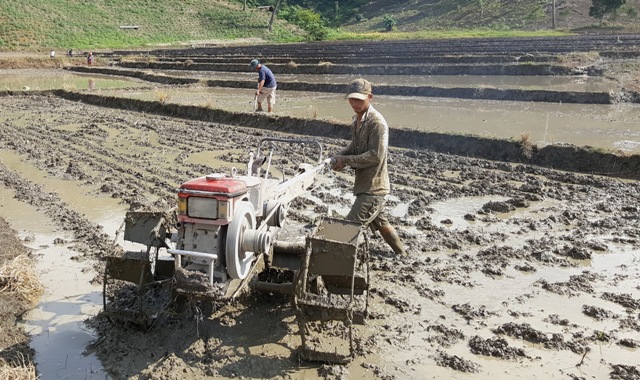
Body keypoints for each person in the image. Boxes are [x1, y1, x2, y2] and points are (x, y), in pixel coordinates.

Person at [331, 78, 407, 257]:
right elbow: (355, 146)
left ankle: (337, 263)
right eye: (352, 99)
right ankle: (402, 254)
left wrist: (346, 160)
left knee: (348, 228)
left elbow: (375, 155)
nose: (355, 103)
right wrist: (339, 156)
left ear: (370, 97)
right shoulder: (358, 120)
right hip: (366, 185)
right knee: (382, 223)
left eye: (359, 99)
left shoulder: (377, 123)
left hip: (374, 188)